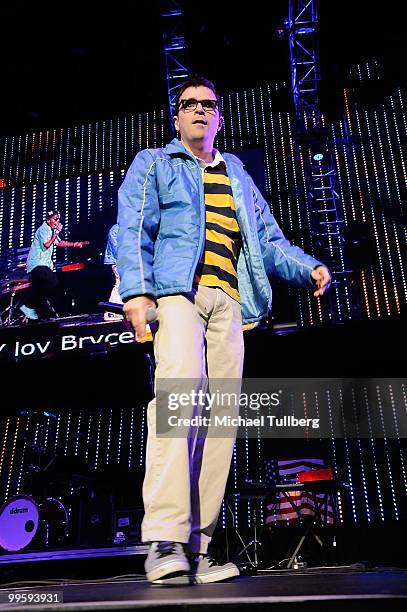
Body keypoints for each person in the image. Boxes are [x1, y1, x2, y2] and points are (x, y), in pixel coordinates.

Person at [117, 76, 331, 585]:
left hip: (230, 304)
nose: (198, 111)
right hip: (178, 294)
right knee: (178, 399)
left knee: (222, 421)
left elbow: (269, 239)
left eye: (207, 105)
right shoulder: (154, 163)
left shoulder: (236, 172)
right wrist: (138, 292)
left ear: (218, 116)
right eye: (188, 104)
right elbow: (134, 227)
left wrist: (307, 267)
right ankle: (165, 537)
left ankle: (201, 544)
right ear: (176, 117)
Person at [23, 210, 87, 320]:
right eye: (55, 219)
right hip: (37, 265)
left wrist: (74, 244)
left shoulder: (50, 230)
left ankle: (35, 311)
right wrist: (57, 232)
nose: (57, 222)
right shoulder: (43, 229)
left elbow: (59, 242)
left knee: (44, 288)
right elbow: (47, 244)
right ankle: (30, 305)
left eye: (58, 219)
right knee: (53, 283)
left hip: (43, 265)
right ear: (48, 219)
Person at [103, 223, 124, 320]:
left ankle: (117, 310)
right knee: (119, 283)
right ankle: (111, 311)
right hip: (118, 261)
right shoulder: (116, 228)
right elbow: (115, 246)